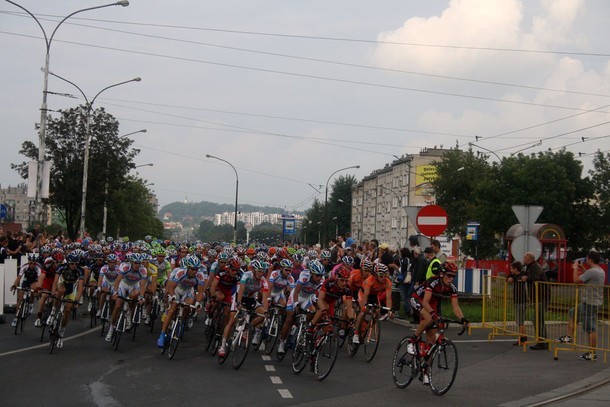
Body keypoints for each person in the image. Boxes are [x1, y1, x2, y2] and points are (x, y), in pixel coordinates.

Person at [408, 262, 469, 385]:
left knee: (431, 340)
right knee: (429, 318)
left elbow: (455, 307)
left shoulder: (452, 288)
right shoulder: (433, 281)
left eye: (453, 276)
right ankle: (412, 340)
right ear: (441, 274)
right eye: (449, 275)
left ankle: (425, 371)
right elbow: (425, 301)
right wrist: (433, 314)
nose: (451, 279)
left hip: (433, 304)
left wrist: (462, 318)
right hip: (418, 299)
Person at [556, 250, 605, 361]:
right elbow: (589, 276)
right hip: (591, 302)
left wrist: (574, 268)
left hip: (591, 303)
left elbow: (576, 280)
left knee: (590, 328)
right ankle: (568, 337)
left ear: (590, 260)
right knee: (573, 312)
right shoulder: (599, 270)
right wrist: (582, 268)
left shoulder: (592, 272)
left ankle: (592, 353)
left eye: (587, 259)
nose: (586, 260)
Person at [524, 252, 549, 350]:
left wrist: (527, 278)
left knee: (537, 319)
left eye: (524, 258)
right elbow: (525, 275)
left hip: (541, 297)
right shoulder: (530, 266)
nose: (523, 260)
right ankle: (543, 341)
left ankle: (542, 341)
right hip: (538, 297)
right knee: (538, 319)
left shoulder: (534, 266)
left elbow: (536, 277)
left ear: (529, 259)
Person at [507, 261, 528, 345]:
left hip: (521, 300)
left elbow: (519, 278)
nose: (510, 270)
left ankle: (522, 339)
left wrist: (512, 278)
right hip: (517, 299)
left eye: (512, 268)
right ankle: (523, 337)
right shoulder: (513, 275)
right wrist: (509, 278)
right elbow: (509, 278)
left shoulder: (523, 275)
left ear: (516, 269)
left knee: (520, 321)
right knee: (520, 321)